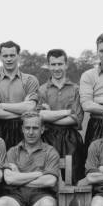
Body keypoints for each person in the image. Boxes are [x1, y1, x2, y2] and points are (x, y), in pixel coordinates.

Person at [38, 48, 85, 183]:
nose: (57, 68)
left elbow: (76, 118)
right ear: (48, 65)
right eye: (53, 64)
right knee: (48, 176)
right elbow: (40, 116)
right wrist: (66, 112)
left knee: (73, 178)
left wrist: (50, 115)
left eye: (60, 64)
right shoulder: (42, 90)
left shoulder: (76, 89)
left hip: (71, 139)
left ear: (66, 65)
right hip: (47, 137)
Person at [0, 41, 39, 147]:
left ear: (18, 56)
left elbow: (30, 107)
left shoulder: (30, 80)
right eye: (5, 56)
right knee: (0, 163)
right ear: (0, 57)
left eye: (12, 55)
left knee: (25, 163)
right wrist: (22, 111)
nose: (9, 59)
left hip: (25, 128)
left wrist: (2, 106)